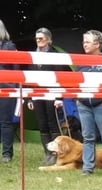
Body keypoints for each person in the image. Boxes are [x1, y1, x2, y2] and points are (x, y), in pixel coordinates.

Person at [77, 31, 102, 176]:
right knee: (87, 137)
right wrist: (77, 96)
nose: (84, 44)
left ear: (97, 44)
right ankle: (87, 167)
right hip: (83, 104)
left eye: (87, 41)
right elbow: (76, 80)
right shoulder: (80, 61)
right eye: (84, 42)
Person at [27, 28, 61, 166]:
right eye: (36, 38)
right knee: (42, 124)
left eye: (40, 38)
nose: (38, 41)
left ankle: (55, 154)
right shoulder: (33, 55)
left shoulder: (55, 55)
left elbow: (60, 77)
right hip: (36, 93)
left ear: (48, 39)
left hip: (52, 93)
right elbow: (29, 76)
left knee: (53, 124)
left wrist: (59, 98)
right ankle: (47, 153)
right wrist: (29, 97)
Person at [0, 20, 17, 164]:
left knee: (6, 122)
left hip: (7, 89)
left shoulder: (10, 47)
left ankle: (7, 154)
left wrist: (15, 89)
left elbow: (16, 70)